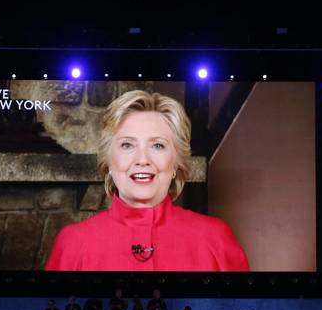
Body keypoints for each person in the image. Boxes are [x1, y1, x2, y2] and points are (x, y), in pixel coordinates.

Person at [44, 89, 249, 272]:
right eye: (127, 145)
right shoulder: (72, 243)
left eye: (158, 146)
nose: (142, 160)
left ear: (176, 162)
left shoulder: (216, 239)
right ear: (108, 161)